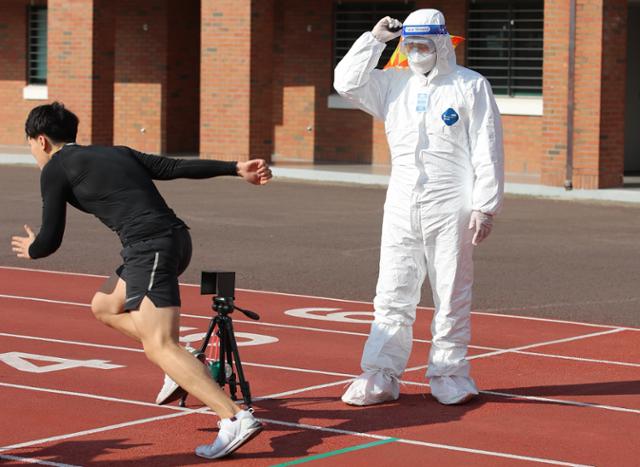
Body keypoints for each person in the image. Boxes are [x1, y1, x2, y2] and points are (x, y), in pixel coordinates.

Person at [11, 102, 271, 459]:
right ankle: (188, 362)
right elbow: (173, 166)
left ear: (41, 140)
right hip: (174, 241)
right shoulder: (115, 152)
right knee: (104, 305)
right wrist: (234, 168)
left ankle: (234, 417)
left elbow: (50, 239)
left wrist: (32, 248)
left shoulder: (55, 167)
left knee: (159, 345)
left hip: (150, 248)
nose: (32, 153)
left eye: (29, 145)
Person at [334, 9, 504, 406]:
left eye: (424, 45)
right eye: (410, 45)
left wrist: (485, 206)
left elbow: (487, 146)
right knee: (392, 289)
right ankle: (380, 374)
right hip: (401, 200)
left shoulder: (470, 86)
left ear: (442, 44)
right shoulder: (393, 84)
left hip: (451, 203)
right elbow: (346, 83)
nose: (416, 52)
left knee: (451, 290)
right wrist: (374, 40)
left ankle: (449, 372)